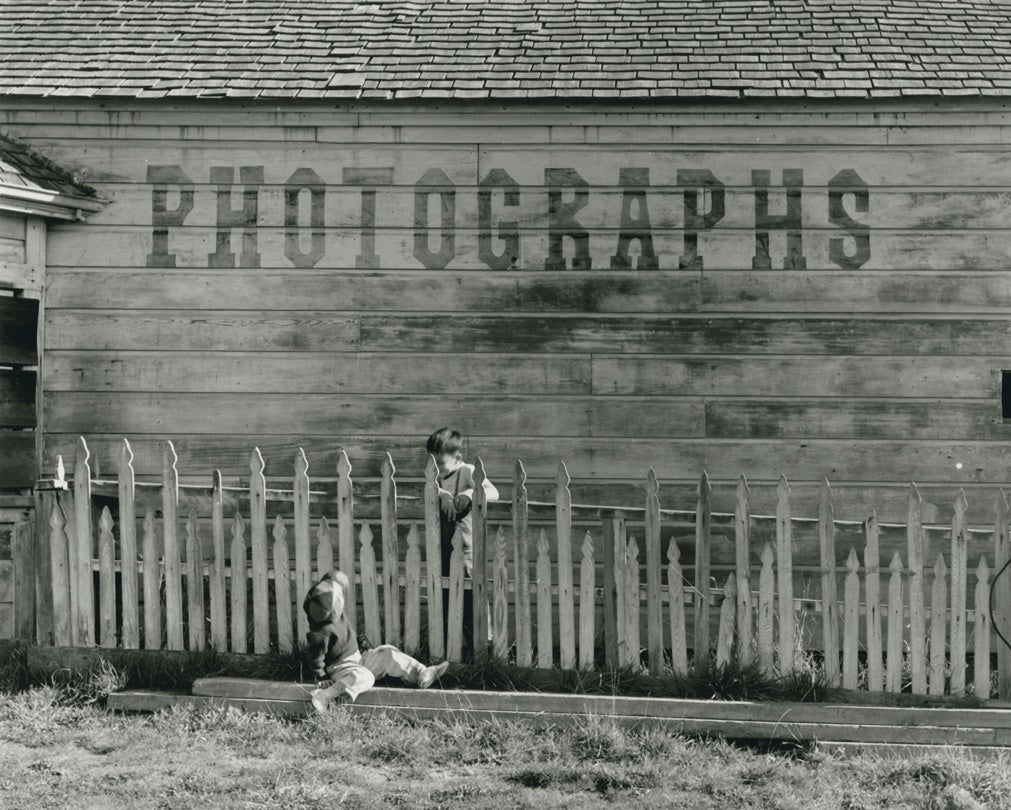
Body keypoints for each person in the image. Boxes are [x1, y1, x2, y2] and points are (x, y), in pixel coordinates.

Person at [304, 570, 449, 712]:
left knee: (387, 652)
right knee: (366, 677)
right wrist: (321, 677)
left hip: (358, 658)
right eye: (339, 597)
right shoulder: (321, 633)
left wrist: (332, 577)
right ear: (333, 609)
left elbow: (330, 580)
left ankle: (422, 674)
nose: (342, 597)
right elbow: (315, 657)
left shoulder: (326, 605)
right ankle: (325, 695)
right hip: (340, 669)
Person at [426, 427, 499, 658]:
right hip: (443, 551)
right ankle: (453, 649)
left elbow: (492, 491)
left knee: (471, 599)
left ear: (457, 456)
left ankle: (482, 647)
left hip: (467, 551)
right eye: (433, 461)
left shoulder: (466, 471)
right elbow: (430, 494)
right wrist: (442, 495)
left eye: (441, 462)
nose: (436, 467)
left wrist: (469, 493)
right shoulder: (436, 481)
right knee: (447, 600)